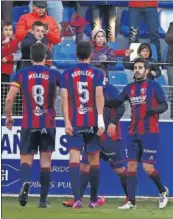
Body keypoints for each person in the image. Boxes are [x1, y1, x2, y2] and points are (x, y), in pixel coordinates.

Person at [106, 57, 169, 210]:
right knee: (131, 166)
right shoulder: (129, 88)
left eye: (140, 67)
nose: (137, 70)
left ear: (147, 70)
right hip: (133, 133)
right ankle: (131, 202)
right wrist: (101, 100)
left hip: (150, 133)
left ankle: (163, 191)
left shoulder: (154, 86)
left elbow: (164, 104)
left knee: (148, 168)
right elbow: (116, 102)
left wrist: (154, 110)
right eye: (135, 68)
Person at [4, 43, 62, 208]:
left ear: (30, 56)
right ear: (46, 56)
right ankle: (43, 201)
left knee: (26, 159)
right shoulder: (53, 73)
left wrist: (8, 116)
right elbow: (67, 93)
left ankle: (25, 183)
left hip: (29, 123)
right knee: (46, 162)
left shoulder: (22, 74)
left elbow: (9, 99)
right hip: (48, 123)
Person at [61, 79, 127, 208]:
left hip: (109, 136)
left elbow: (122, 107)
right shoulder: (87, 91)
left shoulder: (110, 89)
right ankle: (77, 199)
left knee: (119, 169)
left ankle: (130, 197)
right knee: (84, 167)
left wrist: (113, 122)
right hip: (93, 135)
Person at [60, 41, 106, 209]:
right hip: (92, 122)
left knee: (74, 159)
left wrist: (66, 122)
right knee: (94, 159)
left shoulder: (66, 74)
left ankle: (77, 199)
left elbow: (65, 99)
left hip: (75, 122)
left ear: (76, 54)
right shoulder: (98, 73)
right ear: (91, 54)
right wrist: (101, 119)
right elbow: (99, 96)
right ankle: (93, 200)